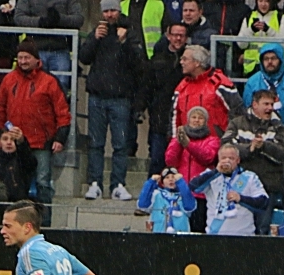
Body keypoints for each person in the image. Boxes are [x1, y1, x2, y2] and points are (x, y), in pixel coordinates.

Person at [0, 40, 71, 227]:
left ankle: (44, 223)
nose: (23, 61)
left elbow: (62, 111)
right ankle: (16, 224)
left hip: (41, 143)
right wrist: (2, 135)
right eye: (20, 57)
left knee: (43, 183)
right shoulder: (9, 79)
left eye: (27, 57)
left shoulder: (49, 81)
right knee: (15, 184)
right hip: (14, 143)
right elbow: (1, 108)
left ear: (36, 59)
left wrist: (60, 138)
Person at [80, 2, 146, 201]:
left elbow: (139, 64)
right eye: (106, 11)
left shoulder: (130, 33)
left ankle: (118, 184)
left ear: (119, 11)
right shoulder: (96, 32)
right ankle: (95, 183)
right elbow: (84, 58)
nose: (109, 15)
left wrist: (124, 43)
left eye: (113, 11)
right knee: (96, 144)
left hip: (121, 98)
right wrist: (94, 39)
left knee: (120, 145)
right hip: (97, 96)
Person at [222, 88, 284, 234]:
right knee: (238, 228)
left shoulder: (278, 126)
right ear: (254, 104)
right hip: (240, 186)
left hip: (268, 186)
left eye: (271, 104)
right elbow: (226, 147)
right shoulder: (237, 123)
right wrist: (250, 148)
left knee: (262, 228)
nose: (270, 108)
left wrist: (264, 146)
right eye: (266, 104)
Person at [135, 22, 188, 176]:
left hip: (182, 118)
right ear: (168, 36)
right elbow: (146, 87)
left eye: (181, 35)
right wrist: (140, 107)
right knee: (157, 158)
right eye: (175, 35)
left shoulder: (191, 60)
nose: (178, 39)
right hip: (159, 115)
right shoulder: (157, 59)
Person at [189, 144, 269, 235]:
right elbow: (194, 187)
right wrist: (216, 172)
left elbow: (264, 203)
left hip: (244, 236)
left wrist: (241, 199)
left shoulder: (250, 177)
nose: (227, 161)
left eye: (231, 158)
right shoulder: (210, 175)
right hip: (215, 236)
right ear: (219, 159)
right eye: (223, 158)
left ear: (238, 160)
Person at [172, 45, 245, 139]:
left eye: (185, 59)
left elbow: (238, 113)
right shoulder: (181, 86)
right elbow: (174, 119)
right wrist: (175, 143)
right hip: (188, 148)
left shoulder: (220, 83)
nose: (181, 62)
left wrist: (229, 141)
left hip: (218, 147)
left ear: (197, 62)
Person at [14, 0, 84, 93]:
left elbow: (79, 19)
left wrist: (59, 19)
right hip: (35, 51)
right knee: (32, 86)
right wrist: (40, 22)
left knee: (61, 86)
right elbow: (18, 18)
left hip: (60, 50)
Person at [243, 43, 284, 133]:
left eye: (273, 58)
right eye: (266, 59)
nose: (270, 62)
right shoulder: (252, 82)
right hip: (259, 132)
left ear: (281, 60)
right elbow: (247, 110)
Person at [165, 106, 221, 182]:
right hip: (182, 186)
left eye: (200, 118)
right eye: (193, 117)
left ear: (205, 121)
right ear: (188, 120)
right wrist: (178, 142)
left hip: (202, 187)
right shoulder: (178, 139)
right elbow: (170, 161)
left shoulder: (213, 140)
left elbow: (207, 158)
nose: (197, 120)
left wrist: (188, 144)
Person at [237, 0, 284, 76]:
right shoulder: (248, 17)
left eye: (267, 1)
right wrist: (251, 30)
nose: (263, 4)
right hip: (252, 69)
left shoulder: (282, 17)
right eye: (260, 1)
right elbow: (241, 44)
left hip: (276, 69)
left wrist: (269, 30)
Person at [137, 167, 197, 233]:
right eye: (167, 177)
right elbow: (142, 204)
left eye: (173, 177)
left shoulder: (183, 195)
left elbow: (190, 206)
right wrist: (151, 182)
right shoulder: (156, 195)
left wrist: (181, 182)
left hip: (180, 237)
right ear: (162, 183)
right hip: (158, 236)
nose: (171, 179)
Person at [0, 128, 38, 202]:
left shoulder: (23, 158)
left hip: (20, 201)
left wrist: (22, 142)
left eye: (13, 139)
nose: (9, 142)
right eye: (5, 139)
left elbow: (31, 162)